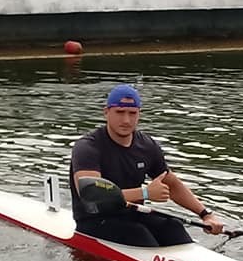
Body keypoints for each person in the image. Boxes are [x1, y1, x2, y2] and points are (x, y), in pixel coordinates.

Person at [69, 84, 225, 247]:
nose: (126, 120)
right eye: (120, 112)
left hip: (131, 214)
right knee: (139, 235)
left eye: (132, 113)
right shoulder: (88, 147)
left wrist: (206, 214)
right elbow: (91, 195)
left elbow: (171, 184)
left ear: (139, 114)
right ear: (106, 112)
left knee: (174, 228)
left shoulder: (147, 145)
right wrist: (145, 193)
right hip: (94, 219)